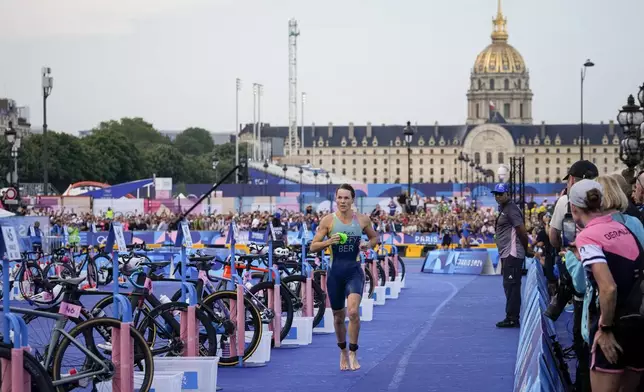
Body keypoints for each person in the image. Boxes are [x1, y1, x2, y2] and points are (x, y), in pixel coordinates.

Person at [569, 179, 644, 392]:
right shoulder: (622, 227)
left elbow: (608, 287)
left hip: (614, 326)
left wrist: (605, 329)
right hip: (639, 324)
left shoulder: (588, 236)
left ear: (574, 208)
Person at [309, 184, 378, 371]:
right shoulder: (328, 221)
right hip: (335, 274)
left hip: (354, 272)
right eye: (340, 198)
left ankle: (354, 352)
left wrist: (367, 244)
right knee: (338, 317)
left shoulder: (362, 220)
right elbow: (313, 246)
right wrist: (328, 242)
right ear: (336, 199)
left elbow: (375, 238)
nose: (343, 201)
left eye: (346, 198)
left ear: (352, 200)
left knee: (353, 312)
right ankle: (343, 351)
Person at [549, 160, 598, 391]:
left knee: (581, 332)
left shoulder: (564, 202)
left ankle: (583, 381)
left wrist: (563, 252)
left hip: (579, 271)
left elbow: (554, 234)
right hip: (602, 277)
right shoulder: (605, 202)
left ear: (571, 180)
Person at [492, 182, 530, 328]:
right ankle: (512, 316)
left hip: (512, 253)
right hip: (507, 253)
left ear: (507, 194)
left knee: (512, 286)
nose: (497, 197)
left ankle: (512, 318)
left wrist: (525, 250)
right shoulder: (503, 208)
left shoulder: (511, 209)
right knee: (509, 285)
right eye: (496, 194)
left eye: (500, 194)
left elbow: (521, 230)